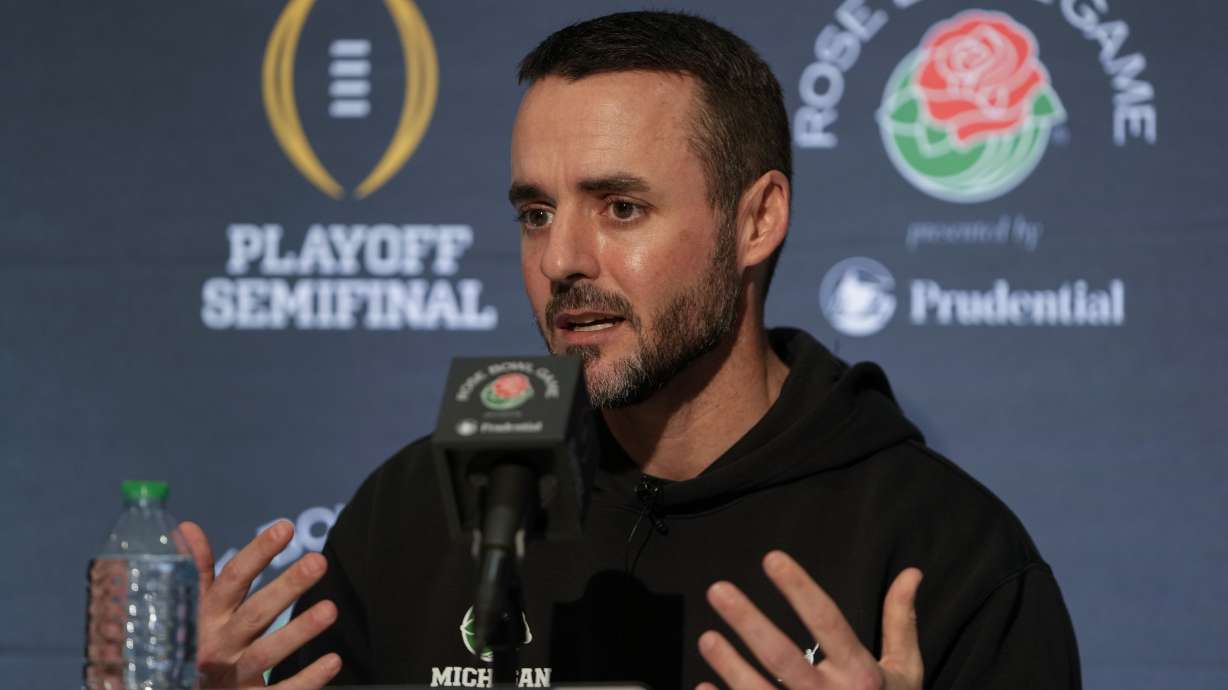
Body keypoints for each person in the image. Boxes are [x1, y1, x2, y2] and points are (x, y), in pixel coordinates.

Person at [180, 11, 1081, 689]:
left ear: (756, 219)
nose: (563, 260)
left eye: (621, 208)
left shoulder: (946, 555)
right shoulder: (415, 516)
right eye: (536, 213)